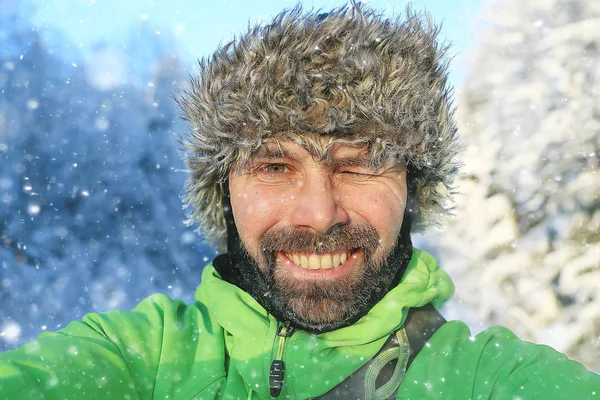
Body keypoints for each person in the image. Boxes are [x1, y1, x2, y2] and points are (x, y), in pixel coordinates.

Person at [1, 3, 599, 400]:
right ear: (224, 195)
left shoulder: (487, 381)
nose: (319, 213)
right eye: (274, 165)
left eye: (360, 162)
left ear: (412, 190)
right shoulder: (141, 360)